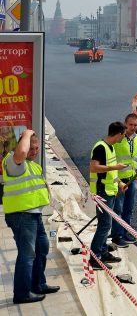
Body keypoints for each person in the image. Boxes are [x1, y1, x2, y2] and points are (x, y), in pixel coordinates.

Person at [3, 129, 60, 304]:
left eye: (37, 148)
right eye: (31, 148)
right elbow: (20, 153)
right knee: (27, 254)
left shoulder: (34, 165)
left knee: (42, 247)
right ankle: (22, 293)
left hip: (34, 214)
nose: (34, 152)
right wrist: (26, 134)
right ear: (23, 146)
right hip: (21, 215)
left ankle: (38, 284)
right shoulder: (13, 161)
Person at [89, 122, 128, 269]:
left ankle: (103, 252)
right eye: (123, 135)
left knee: (107, 224)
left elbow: (111, 173)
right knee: (104, 225)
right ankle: (95, 258)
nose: (123, 138)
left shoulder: (110, 147)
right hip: (102, 192)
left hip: (110, 191)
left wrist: (119, 184)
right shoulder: (101, 147)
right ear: (118, 134)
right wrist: (115, 167)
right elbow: (94, 167)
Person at [110, 113, 137, 248]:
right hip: (119, 180)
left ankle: (125, 233)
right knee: (118, 209)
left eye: (135, 125)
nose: (133, 128)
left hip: (132, 179)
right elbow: (110, 159)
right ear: (125, 124)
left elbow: (136, 158)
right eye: (130, 125)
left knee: (128, 209)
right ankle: (117, 236)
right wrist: (116, 180)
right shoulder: (118, 139)